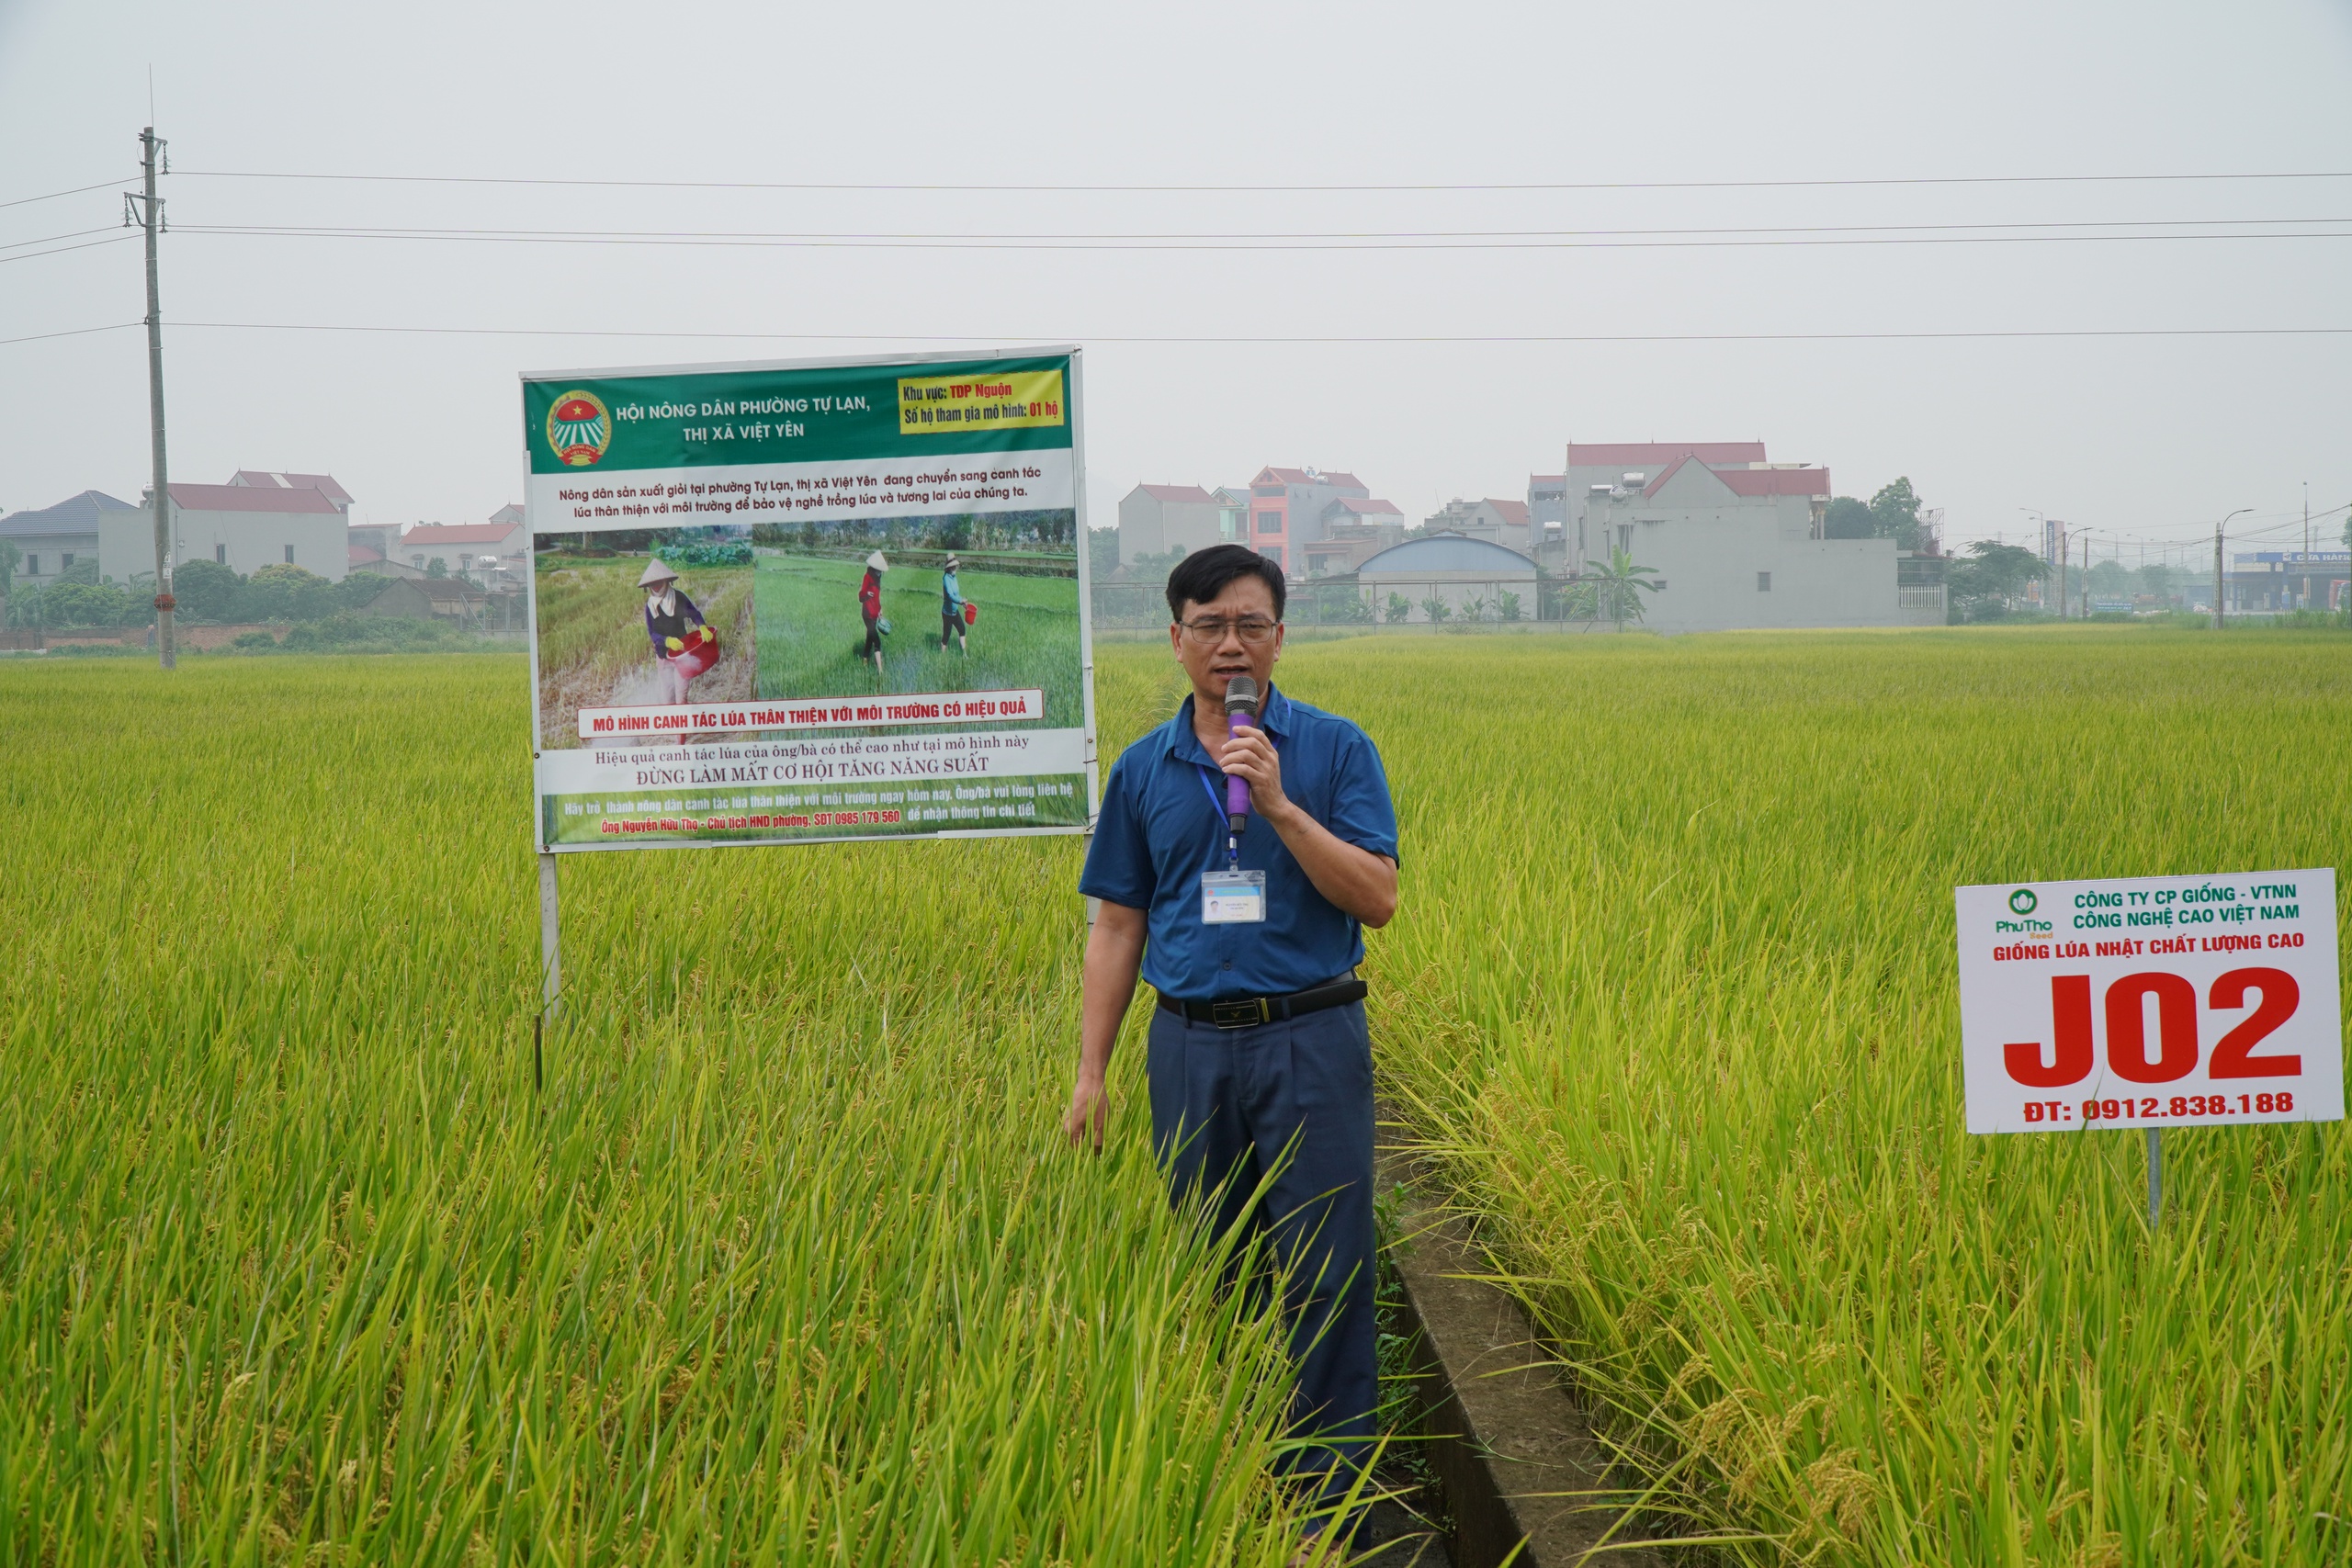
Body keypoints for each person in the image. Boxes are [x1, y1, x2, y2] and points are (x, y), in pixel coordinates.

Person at [1064, 543, 1399, 1556]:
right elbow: (1117, 925)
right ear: (1174, 639)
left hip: (1311, 1038)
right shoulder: (1142, 768)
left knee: (1327, 1270)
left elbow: (1377, 899)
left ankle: (1329, 1507)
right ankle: (1234, 1473)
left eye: (1250, 624)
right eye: (1207, 626)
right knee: (1213, 1264)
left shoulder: (1335, 751)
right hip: (1190, 1049)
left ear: (1281, 637)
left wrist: (1284, 805)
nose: (1230, 645)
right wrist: (1090, 1073)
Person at [639, 559, 706, 705]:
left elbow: (694, 614)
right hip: (663, 656)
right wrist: (667, 641)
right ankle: (672, 724)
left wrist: (702, 626)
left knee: (681, 695)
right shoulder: (650, 606)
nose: (656, 587)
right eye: (653, 584)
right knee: (668, 697)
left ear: (666, 581)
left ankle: (683, 723)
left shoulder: (678, 597)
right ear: (648, 587)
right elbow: (652, 633)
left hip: (683, 654)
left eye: (659, 582)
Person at [857, 550, 888, 679]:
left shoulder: (878, 578)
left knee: (870, 639)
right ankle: (880, 671)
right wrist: (866, 595)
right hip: (867, 614)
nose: (881, 573)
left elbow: (877, 598)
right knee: (877, 641)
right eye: (879, 570)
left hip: (875, 614)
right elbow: (860, 596)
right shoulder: (868, 577)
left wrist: (880, 609)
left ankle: (864, 659)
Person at [939, 554, 969, 655]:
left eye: (955, 565)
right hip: (947, 613)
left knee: (962, 630)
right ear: (949, 567)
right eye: (953, 566)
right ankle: (942, 658)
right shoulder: (946, 579)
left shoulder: (954, 577)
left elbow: (956, 594)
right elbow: (950, 595)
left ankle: (964, 654)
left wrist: (962, 602)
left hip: (954, 611)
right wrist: (960, 601)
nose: (955, 567)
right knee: (946, 636)